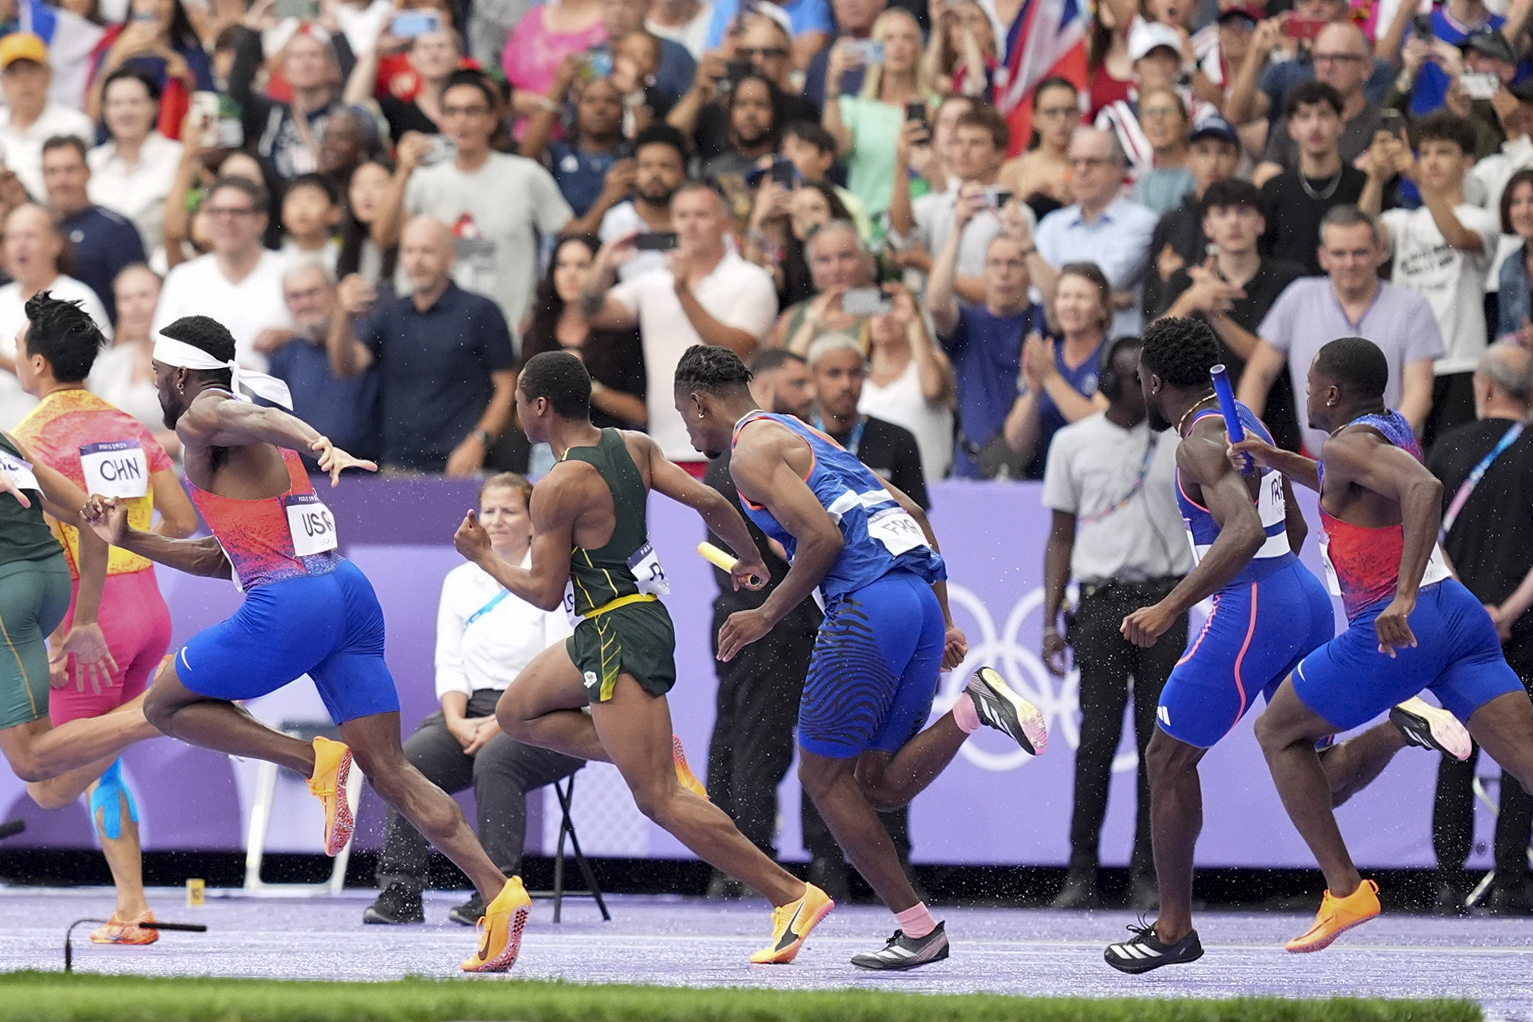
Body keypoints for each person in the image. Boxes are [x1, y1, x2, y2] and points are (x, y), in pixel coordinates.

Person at [79, 314, 530, 974]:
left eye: (155, 374)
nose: (153, 384)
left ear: (179, 373)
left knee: (163, 707)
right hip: (345, 591)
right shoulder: (239, 423)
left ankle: (310, 761)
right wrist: (132, 541)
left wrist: (320, 440)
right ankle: (499, 893)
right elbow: (222, 554)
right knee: (393, 771)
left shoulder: (202, 414)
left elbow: (255, 420)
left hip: (290, 604)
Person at [1103, 319, 1469, 973]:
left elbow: (1240, 532)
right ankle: (1396, 728)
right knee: (1308, 770)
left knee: (1165, 759)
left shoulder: (1196, 443)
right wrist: (1282, 595)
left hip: (1254, 605)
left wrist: (1168, 606)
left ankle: (1172, 929)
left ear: (1151, 381)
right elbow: (1290, 522)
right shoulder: (1241, 417)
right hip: (1297, 591)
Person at [452, 348, 835, 965]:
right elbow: (714, 504)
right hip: (621, 621)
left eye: (520, 399)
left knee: (657, 798)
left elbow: (545, 592)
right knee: (518, 712)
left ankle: (790, 895)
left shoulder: (557, 487)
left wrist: (484, 557)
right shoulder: (632, 444)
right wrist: (752, 557)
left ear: (538, 406)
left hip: (612, 631)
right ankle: (649, 750)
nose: (517, 409)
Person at [676, 342, 1046, 969]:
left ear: (699, 402)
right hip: (917, 603)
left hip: (869, 604)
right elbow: (912, 511)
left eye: (685, 418)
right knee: (877, 782)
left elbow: (822, 537)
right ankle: (972, 711)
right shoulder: (804, 432)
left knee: (823, 777)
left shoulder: (747, 454)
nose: (689, 430)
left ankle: (918, 928)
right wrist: (946, 618)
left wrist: (767, 614)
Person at [1230, 336, 1533, 954]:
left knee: (1277, 734)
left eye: (1310, 382)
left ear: (1332, 393)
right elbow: (1338, 480)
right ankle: (1405, 724)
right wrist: (1272, 457)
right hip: (1459, 616)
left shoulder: (1350, 441)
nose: (1305, 390)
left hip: (1401, 626)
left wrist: (1400, 596)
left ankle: (1345, 889)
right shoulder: (1381, 427)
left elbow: (1423, 489)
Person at [11, 291, 197, 944]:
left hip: (87, 618)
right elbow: (182, 523)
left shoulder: (29, 441)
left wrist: (65, 626)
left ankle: (172, 704)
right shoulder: (128, 424)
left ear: (35, 364)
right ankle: (132, 907)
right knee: (102, 762)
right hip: (148, 606)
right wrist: (127, 543)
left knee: (48, 786)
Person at [366, 473, 584, 927]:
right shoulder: (460, 581)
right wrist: (456, 719)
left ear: (532, 521)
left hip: (546, 714)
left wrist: (503, 722)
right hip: (471, 712)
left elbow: (557, 664)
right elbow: (450, 661)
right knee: (405, 763)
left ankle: (497, 893)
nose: (497, 520)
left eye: (509, 511)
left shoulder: (554, 576)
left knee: (497, 762)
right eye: (489, 511)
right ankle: (401, 893)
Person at [1041, 334, 1191, 911]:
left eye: (1148, 379)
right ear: (1109, 380)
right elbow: (1060, 538)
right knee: (1096, 742)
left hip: (1165, 602)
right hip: (1102, 605)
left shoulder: (1184, 443)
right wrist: (1052, 620)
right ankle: (1081, 871)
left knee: (1160, 746)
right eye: (1132, 378)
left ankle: (1148, 875)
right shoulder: (1072, 443)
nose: (1143, 389)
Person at [701, 348, 823, 897]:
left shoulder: (731, 463)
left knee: (736, 733)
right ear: (765, 389)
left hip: (752, 612)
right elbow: (796, 545)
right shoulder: (751, 461)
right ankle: (749, 862)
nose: (812, 391)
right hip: (768, 617)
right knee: (759, 739)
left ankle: (729, 863)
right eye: (799, 382)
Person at [1428, 343, 1533, 915]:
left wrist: (1473, 609)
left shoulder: (1447, 449)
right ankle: (1513, 879)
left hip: (1458, 625)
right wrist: (1508, 612)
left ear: (1486, 387)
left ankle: (1447, 879)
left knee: (1455, 742)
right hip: (1527, 627)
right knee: (1524, 748)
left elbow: (1429, 545)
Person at [580, 182, 778, 472]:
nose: (691, 225)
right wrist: (603, 266)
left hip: (734, 448)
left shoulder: (753, 280)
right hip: (665, 447)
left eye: (701, 215)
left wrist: (683, 292)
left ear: (726, 223)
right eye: (682, 216)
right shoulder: (654, 281)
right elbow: (593, 312)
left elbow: (735, 349)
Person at [378, 70, 574, 332]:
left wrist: (540, 309)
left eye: (472, 111)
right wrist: (403, 171)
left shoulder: (526, 175)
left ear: (492, 120)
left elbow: (571, 234)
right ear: (441, 120)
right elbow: (384, 237)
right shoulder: (423, 179)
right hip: (430, 329)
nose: (461, 121)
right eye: (452, 112)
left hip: (506, 327)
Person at [1239, 206, 1442, 455]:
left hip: (1392, 456)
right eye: (1339, 253)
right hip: (1314, 461)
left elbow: (1419, 392)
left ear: (1380, 253)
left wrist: (1378, 446)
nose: (1349, 263)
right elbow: (1258, 374)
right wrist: (1247, 431)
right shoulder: (1298, 296)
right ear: (1323, 257)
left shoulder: (1412, 305)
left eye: (1360, 252)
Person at [328, 216, 515, 476]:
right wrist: (342, 314)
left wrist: (479, 441)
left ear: (450, 257)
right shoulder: (391, 314)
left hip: (459, 466)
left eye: (427, 251)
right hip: (396, 465)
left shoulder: (480, 311)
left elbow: (507, 386)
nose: (417, 260)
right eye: (409, 251)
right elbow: (346, 367)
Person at [1362, 111, 1500, 445]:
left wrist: (1418, 178)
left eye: (1444, 152)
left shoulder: (1483, 219)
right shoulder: (1403, 221)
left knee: (1453, 461)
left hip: (1461, 362)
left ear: (1467, 162)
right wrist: (1376, 179)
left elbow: (1458, 237)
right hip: (1407, 363)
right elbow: (1360, 235)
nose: (1431, 162)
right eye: (1426, 153)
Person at [1156, 178, 1307, 451]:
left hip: (1276, 422)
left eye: (1244, 212)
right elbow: (1151, 347)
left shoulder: (1288, 280)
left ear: (1261, 223)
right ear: (1208, 226)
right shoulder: (1186, 280)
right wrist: (1190, 300)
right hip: (1198, 422)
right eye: (1223, 214)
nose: (1234, 223)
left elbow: (1270, 359)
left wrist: (1216, 315)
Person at [930, 212, 1045, 480]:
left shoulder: (1045, 319)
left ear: (1029, 272)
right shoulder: (968, 322)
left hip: (1032, 470)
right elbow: (936, 304)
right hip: (974, 466)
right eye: (995, 263)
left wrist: (1027, 244)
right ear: (984, 272)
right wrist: (958, 228)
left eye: (1014, 264)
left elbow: (1056, 296)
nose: (1004, 273)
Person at [1020, 127, 1158, 340]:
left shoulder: (1141, 222)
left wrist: (1049, 279)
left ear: (1119, 167)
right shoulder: (1052, 224)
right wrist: (1110, 298)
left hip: (1117, 355)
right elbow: (1035, 295)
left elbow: (1098, 285)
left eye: (1093, 162)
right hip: (1058, 347)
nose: (1082, 170)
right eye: (1075, 162)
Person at [150, 176, 292, 372]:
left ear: (261, 221)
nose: (226, 220)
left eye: (238, 212)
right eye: (217, 212)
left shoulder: (291, 271)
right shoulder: (183, 279)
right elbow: (163, 353)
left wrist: (291, 336)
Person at [0, 203, 114, 429]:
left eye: (30, 235)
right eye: (11, 237)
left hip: (60, 438)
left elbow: (90, 380)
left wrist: (6, 363)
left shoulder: (77, 297)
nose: (20, 245)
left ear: (55, 244)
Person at [1000, 263, 1113, 478]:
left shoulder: (1111, 356)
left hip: (1097, 478)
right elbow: (1016, 441)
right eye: (1064, 296)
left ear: (1102, 308)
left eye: (1081, 297)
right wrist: (1034, 391)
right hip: (1044, 480)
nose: (1071, 305)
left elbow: (1101, 427)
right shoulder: (1048, 354)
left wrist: (1050, 378)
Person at [263, 260, 378, 464]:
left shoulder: (363, 336)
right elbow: (262, 417)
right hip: (300, 481)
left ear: (335, 293)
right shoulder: (284, 354)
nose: (305, 303)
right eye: (295, 296)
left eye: (313, 292)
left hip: (362, 475)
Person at [1257, 82, 1368, 276]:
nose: (1315, 126)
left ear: (1341, 124)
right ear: (1292, 128)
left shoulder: (1364, 184)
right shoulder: (1274, 190)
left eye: (1324, 115)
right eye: (1305, 116)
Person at [807, 332, 928, 507]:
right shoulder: (796, 437)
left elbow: (916, 514)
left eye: (855, 373)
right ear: (813, 377)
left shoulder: (897, 439)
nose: (846, 384)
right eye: (834, 373)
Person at [43, 136, 148, 324]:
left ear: (88, 172)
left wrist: (116, 352)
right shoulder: (38, 230)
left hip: (103, 342)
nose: (61, 180)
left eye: (70, 170)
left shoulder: (116, 230)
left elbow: (135, 302)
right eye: (52, 172)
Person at [88, 68, 184, 261]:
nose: (125, 112)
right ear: (105, 110)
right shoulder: (90, 162)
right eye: (116, 104)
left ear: (155, 106)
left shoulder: (178, 158)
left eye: (135, 102)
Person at [0, 33, 96, 202]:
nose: (23, 80)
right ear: (2, 80)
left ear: (49, 74)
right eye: (13, 72)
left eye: (31, 69)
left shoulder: (75, 124)